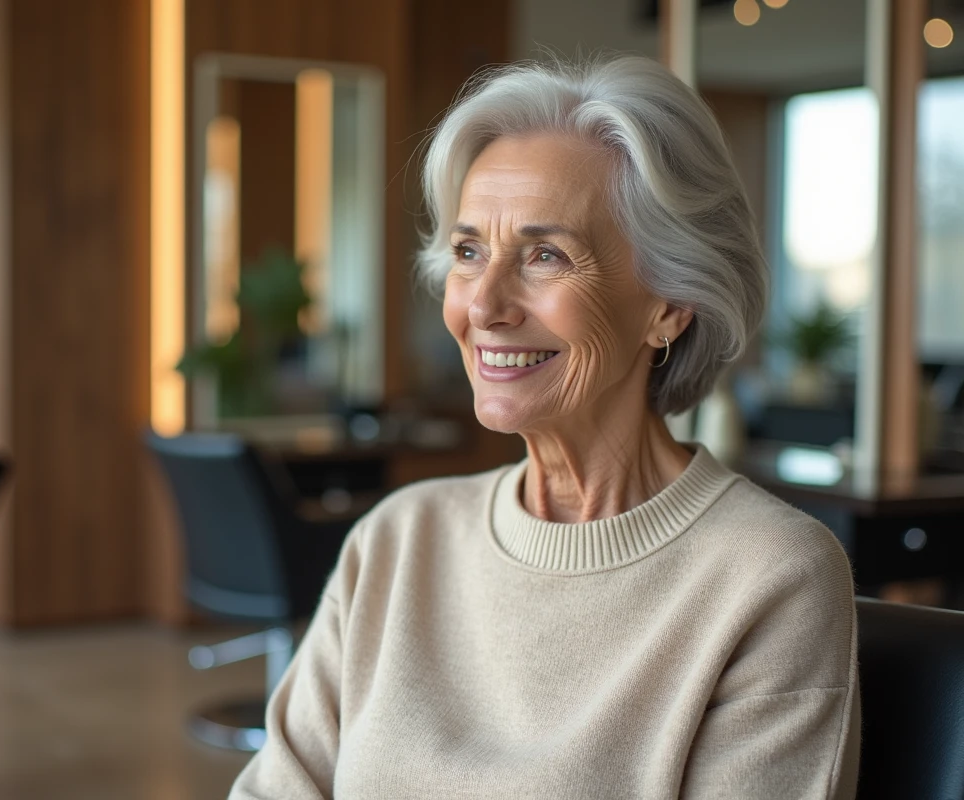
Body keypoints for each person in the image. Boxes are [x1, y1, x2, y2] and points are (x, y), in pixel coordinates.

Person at [229, 54, 859, 799]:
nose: (485, 304)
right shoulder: (396, 542)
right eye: (468, 252)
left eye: (545, 255)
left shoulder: (771, 578)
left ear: (668, 305)